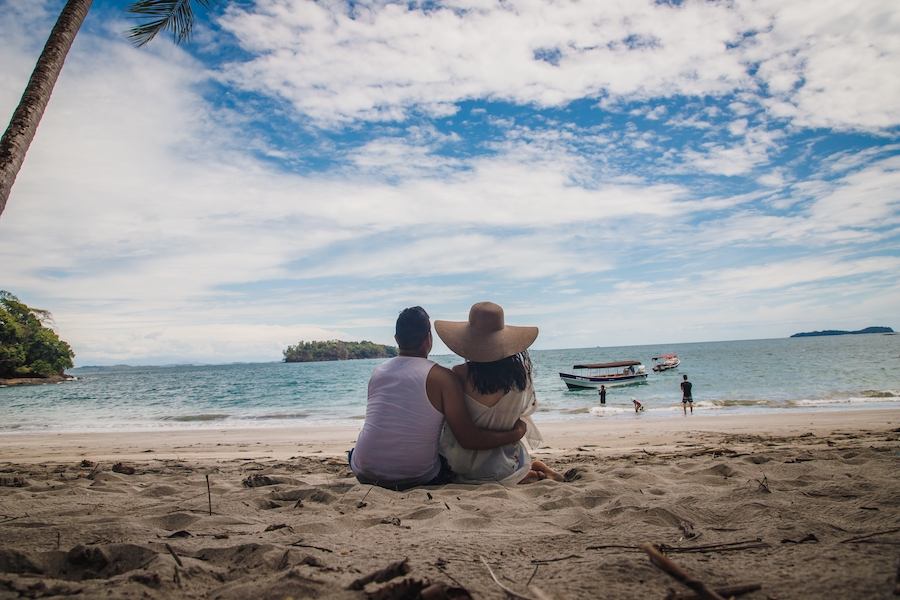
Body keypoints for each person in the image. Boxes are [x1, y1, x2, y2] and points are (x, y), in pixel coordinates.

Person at [349, 306, 526, 491]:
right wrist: (515, 433)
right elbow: (468, 439)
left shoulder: (377, 373)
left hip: (364, 472)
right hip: (418, 477)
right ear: (428, 338)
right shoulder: (443, 377)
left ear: (396, 339)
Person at [435, 302, 563, 486]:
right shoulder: (522, 373)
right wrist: (516, 430)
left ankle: (533, 473)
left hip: (468, 464)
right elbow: (526, 410)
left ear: (469, 340)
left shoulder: (460, 374)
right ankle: (531, 469)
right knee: (507, 468)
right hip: (511, 457)